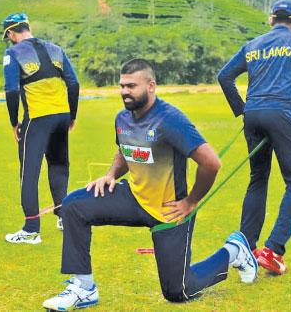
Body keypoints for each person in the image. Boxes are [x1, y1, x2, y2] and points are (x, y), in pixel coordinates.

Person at [42, 59, 258, 310]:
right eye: (122, 85)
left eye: (131, 86)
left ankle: (234, 251)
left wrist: (190, 202)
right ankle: (84, 287)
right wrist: (111, 174)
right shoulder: (122, 118)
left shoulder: (170, 119)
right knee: (73, 206)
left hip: (169, 210)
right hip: (134, 198)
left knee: (178, 291)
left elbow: (211, 163)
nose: (124, 91)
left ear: (151, 85)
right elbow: (125, 150)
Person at [217, 0, 291, 276]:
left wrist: (243, 110)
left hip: (254, 115)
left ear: (271, 19)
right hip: (283, 114)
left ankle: (247, 246)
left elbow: (224, 76)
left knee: (258, 179)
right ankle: (273, 250)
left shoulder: (252, 45)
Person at [2, 12, 80, 244]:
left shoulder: (13, 52)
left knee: (29, 172)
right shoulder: (56, 49)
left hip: (37, 118)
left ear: (11, 33)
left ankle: (31, 228)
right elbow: (74, 83)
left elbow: (12, 90)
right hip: (61, 116)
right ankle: (63, 217)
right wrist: (72, 115)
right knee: (58, 166)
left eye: (7, 36)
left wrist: (13, 121)